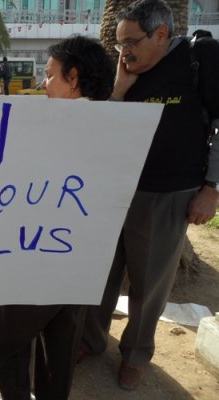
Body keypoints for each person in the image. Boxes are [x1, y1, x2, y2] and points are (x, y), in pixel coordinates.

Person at [79, 0, 219, 391]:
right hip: (116, 191)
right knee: (99, 275)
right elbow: (106, 129)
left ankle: (135, 356)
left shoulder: (199, 57)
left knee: (149, 283)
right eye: (120, 43)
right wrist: (120, 90)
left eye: (131, 42)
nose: (124, 51)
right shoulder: (126, 72)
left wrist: (212, 188)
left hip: (169, 194)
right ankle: (90, 341)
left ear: (161, 34)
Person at [0, 35, 115, 400]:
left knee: (8, 348)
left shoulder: (49, 128)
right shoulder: (117, 128)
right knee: (58, 348)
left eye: (49, 75)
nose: (43, 84)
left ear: (73, 78)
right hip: (81, 262)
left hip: (36, 258)